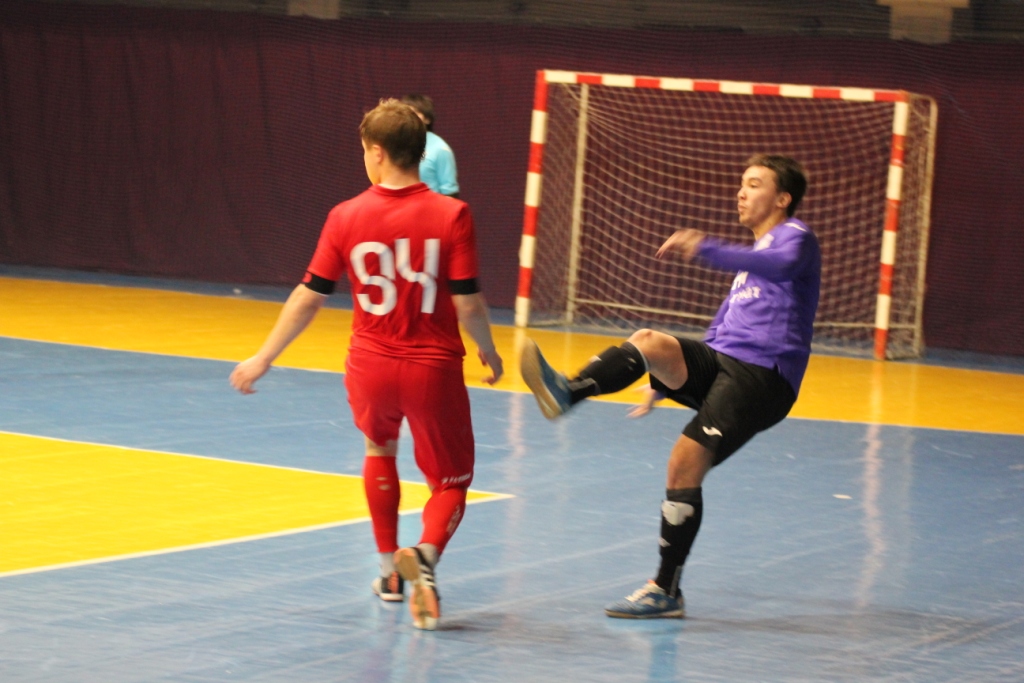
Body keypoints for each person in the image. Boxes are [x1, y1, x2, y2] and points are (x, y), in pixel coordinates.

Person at [230, 99, 503, 631]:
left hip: (370, 365)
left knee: (380, 448)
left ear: (377, 153)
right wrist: (488, 350)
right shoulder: (452, 215)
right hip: (431, 368)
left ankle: (388, 575)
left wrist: (264, 357)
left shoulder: (345, 215)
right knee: (451, 480)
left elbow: (309, 296)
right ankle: (424, 555)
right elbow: (468, 301)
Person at [520, 154, 819, 619]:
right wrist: (661, 382)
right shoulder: (751, 264)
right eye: (741, 183)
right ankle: (568, 391)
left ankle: (665, 590)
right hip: (725, 364)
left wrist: (705, 247)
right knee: (648, 342)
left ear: (782, 199)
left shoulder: (795, 238)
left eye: (754, 184)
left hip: (762, 377)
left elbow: (780, 266)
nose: (741, 192)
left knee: (683, 464)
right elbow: (720, 329)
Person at [400, 94, 460, 198]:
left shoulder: (440, 149)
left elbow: (450, 194)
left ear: (427, 119)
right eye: (404, 113)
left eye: (414, 113)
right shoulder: (394, 145)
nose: (408, 118)